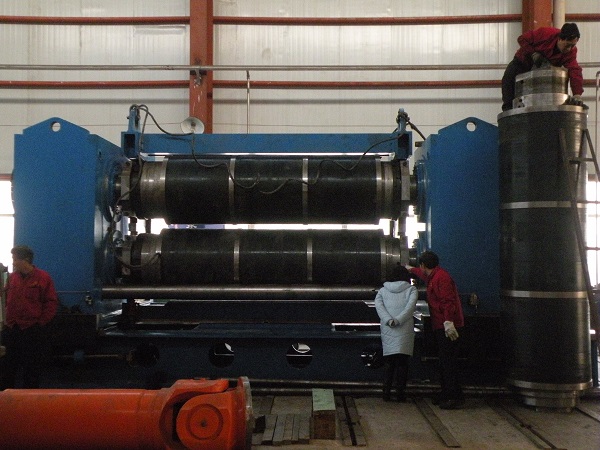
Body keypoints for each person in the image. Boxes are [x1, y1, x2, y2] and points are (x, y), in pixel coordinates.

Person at [409, 251, 465, 409]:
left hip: (449, 327)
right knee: (444, 362)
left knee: (448, 362)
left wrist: (448, 322)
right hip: (441, 325)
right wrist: (410, 269)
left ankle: (454, 397)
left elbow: (448, 302)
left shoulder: (442, 278)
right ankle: (447, 393)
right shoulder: (434, 275)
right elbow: (423, 274)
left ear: (423, 264)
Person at [0, 246, 58, 389]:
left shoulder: (43, 278)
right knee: (7, 367)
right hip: (12, 328)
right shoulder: (12, 278)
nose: (13, 263)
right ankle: (6, 397)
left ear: (25, 260)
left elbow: (51, 302)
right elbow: (4, 296)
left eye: (15, 259)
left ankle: (30, 397)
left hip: (31, 330)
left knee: (31, 368)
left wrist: (40, 323)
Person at [501, 22, 583, 111]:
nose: (569, 49)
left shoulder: (570, 53)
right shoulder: (545, 34)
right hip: (522, 63)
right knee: (508, 80)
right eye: (567, 45)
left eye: (572, 46)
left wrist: (577, 94)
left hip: (542, 75)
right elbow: (522, 38)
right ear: (560, 38)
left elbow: (575, 71)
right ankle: (508, 110)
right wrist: (532, 53)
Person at [374, 264, 418, 402]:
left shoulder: (382, 291)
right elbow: (410, 308)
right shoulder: (411, 290)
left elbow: (379, 306)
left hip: (388, 328)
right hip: (404, 328)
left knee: (389, 362)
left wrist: (388, 320)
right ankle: (400, 394)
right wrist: (398, 320)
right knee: (402, 363)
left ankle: (386, 393)